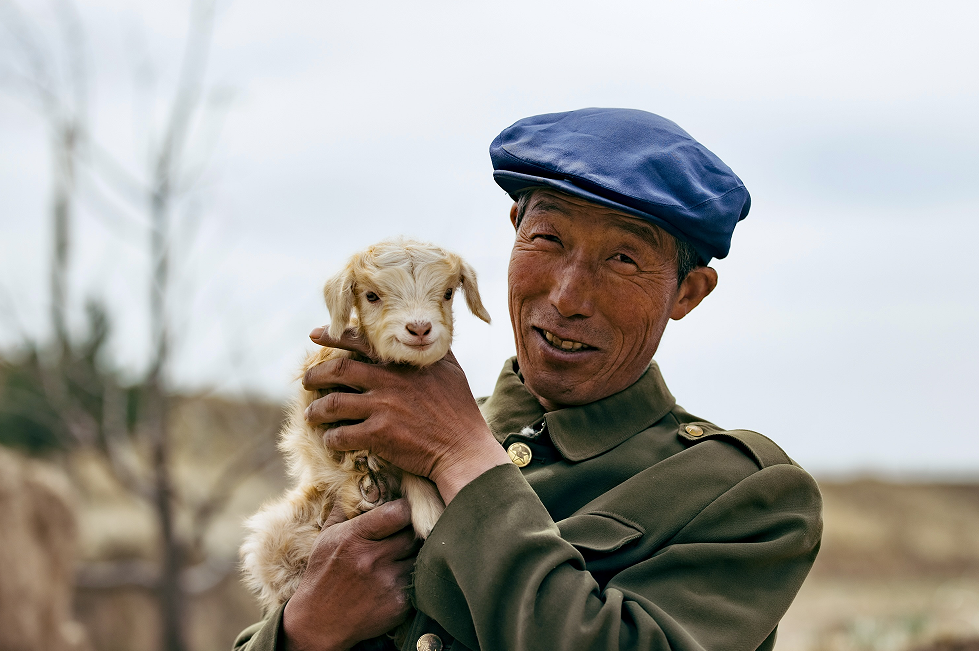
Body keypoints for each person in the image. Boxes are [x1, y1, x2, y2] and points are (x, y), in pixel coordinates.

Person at [234, 108, 822, 651]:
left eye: (622, 259)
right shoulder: (389, 442)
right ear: (515, 229)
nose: (568, 297)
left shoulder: (743, 495)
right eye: (549, 239)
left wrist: (462, 455)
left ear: (686, 293)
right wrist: (304, 629)